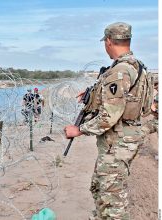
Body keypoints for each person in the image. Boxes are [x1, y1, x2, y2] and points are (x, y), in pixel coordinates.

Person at [64, 22, 151, 219]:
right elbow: (136, 103)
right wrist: (92, 94)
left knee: (113, 202)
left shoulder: (119, 71)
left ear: (109, 42)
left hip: (117, 143)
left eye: (105, 43)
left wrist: (79, 130)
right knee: (101, 189)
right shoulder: (138, 67)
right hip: (123, 140)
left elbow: (109, 116)